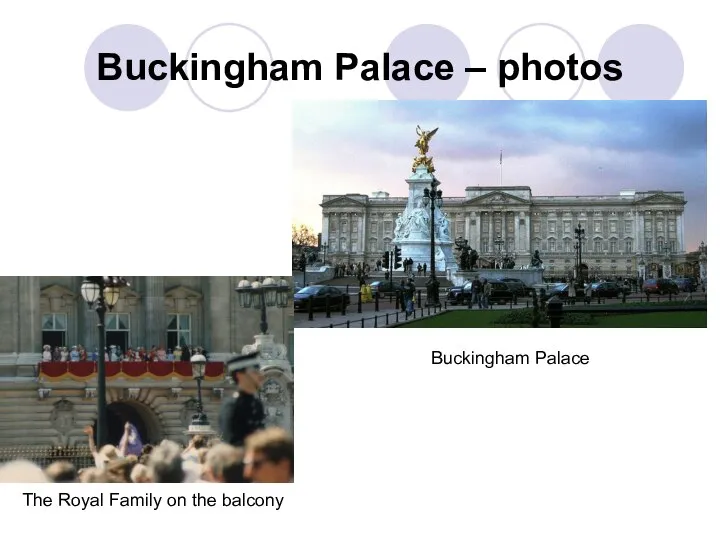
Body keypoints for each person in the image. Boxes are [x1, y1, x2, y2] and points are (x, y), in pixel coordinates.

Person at [219, 351, 266, 447]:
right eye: (255, 372)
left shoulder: (257, 403)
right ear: (239, 375)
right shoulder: (232, 406)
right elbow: (232, 444)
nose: (261, 376)